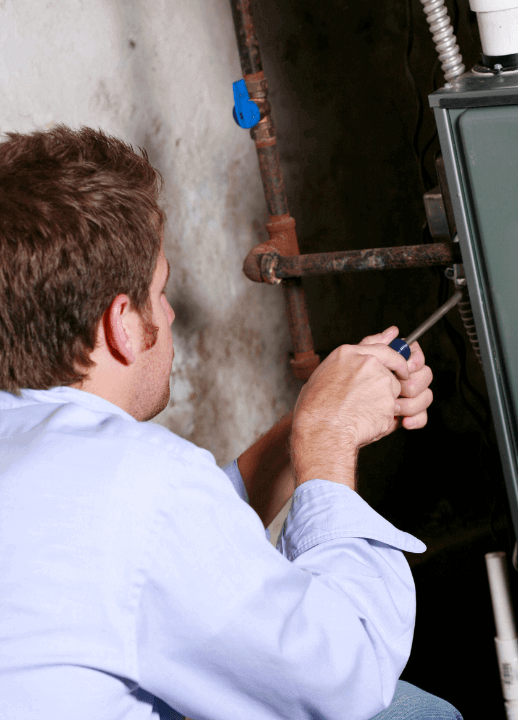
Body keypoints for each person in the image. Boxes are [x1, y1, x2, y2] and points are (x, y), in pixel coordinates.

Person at [0, 126, 462, 719]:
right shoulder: (141, 483)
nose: (167, 314)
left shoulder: (44, 453)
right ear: (120, 323)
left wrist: (309, 424)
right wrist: (329, 441)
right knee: (411, 715)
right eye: (160, 292)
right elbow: (345, 677)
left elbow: (164, 552)